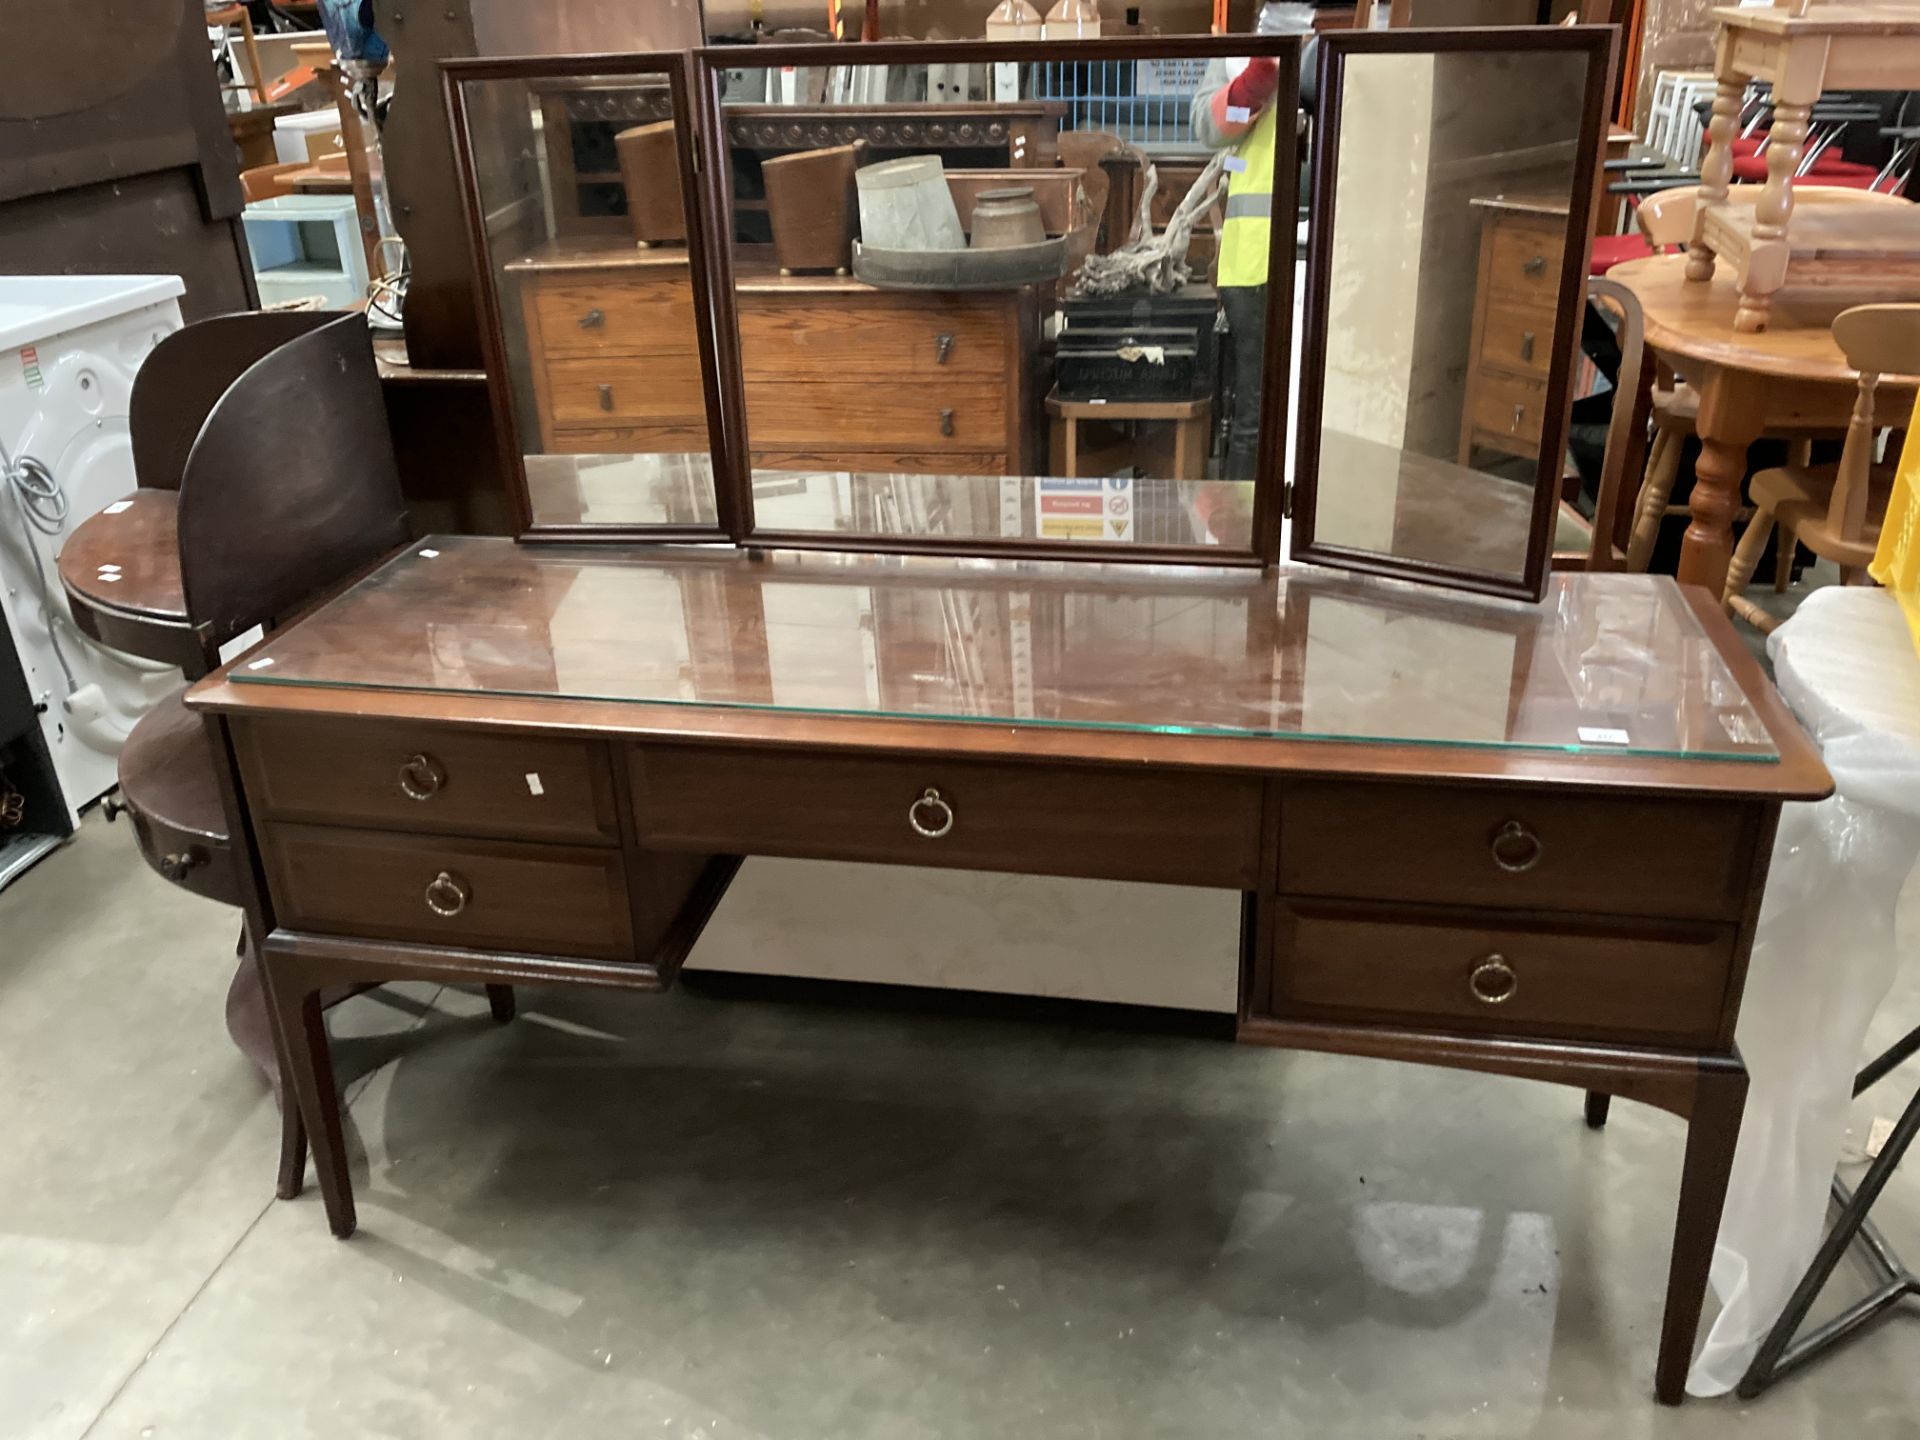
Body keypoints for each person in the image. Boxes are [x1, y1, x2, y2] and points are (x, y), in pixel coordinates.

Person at [1190, 5, 1316, 480]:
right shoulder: (1235, 54)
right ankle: (1241, 539)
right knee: (1254, 418)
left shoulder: (1359, 33)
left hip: (1333, 258)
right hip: (1255, 263)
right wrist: (1255, 83)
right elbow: (1207, 128)